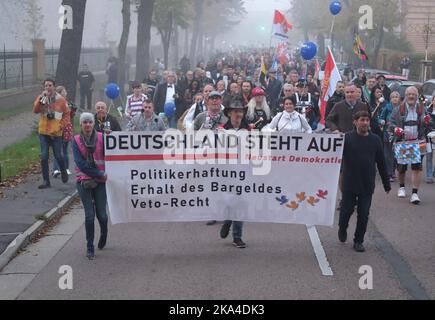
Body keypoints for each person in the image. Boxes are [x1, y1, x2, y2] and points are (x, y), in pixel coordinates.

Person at [338, 111, 391, 253]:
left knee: (363, 213)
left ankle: (358, 240)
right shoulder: (347, 138)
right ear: (355, 122)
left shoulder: (375, 140)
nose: (365, 123)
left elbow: (381, 162)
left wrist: (386, 183)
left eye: (367, 120)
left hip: (367, 183)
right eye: (362, 120)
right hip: (349, 183)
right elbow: (334, 158)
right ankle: (342, 228)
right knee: (346, 212)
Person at [73, 113, 108, 260]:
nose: (87, 125)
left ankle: (104, 233)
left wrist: (112, 138)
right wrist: (99, 173)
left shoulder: (102, 138)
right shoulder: (75, 140)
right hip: (84, 180)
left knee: (102, 215)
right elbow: (80, 164)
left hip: (100, 182)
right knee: (89, 216)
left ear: (93, 124)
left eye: (90, 122)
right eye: (84, 122)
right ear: (81, 125)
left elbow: (111, 154)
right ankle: (89, 246)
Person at [389, 86, 428, 205]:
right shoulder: (398, 109)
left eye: (414, 95)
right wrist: (396, 129)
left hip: (418, 142)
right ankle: (401, 187)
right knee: (401, 167)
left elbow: (429, 123)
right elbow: (390, 123)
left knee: (417, 167)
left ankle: (415, 193)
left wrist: (427, 120)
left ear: (417, 96)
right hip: (403, 143)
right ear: (405, 96)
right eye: (409, 94)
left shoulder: (422, 108)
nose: (411, 96)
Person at [220, 100, 250, 249]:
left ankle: (237, 236)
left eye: (241, 111)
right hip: (226, 173)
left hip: (244, 172)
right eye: (235, 111)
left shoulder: (249, 130)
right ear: (230, 113)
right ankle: (228, 220)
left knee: (241, 202)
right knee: (229, 201)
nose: (238, 114)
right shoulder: (221, 130)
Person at [32, 78, 70, 189]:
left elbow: (67, 114)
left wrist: (61, 126)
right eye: (46, 86)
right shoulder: (41, 97)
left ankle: (63, 171)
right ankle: (46, 181)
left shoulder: (60, 99)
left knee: (58, 155)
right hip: (43, 131)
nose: (47, 87)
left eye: (50, 85)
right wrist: (42, 99)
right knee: (44, 156)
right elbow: (35, 110)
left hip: (56, 132)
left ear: (54, 86)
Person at [52, 86, 74, 178]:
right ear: (60, 93)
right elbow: (57, 117)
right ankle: (56, 169)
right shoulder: (56, 104)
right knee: (58, 150)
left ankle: (66, 168)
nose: (66, 92)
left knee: (65, 150)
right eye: (64, 91)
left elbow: (70, 117)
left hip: (67, 128)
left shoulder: (67, 103)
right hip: (59, 128)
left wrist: (73, 111)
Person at [379, 91, 401, 182]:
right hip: (388, 133)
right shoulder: (387, 108)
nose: (395, 98)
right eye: (393, 97)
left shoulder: (402, 108)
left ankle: (393, 171)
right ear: (390, 99)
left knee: (396, 154)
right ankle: (388, 173)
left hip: (398, 134)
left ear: (399, 99)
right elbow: (380, 117)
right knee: (387, 154)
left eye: (396, 97)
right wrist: (381, 121)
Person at [425, 96, 435, 183]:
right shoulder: (427, 111)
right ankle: (429, 176)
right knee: (429, 156)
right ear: (432, 101)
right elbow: (425, 123)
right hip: (429, 137)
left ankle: (434, 173)